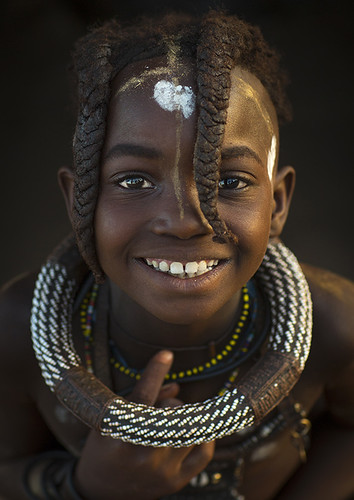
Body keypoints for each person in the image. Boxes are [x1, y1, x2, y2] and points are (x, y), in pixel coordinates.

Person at [0, 10, 353, 500]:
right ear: (78, 199)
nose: (186, 221)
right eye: (133, 181)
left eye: (229, 182)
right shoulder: (16, 331)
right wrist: (89, 487)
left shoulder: (336, 327)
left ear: (277, 203)